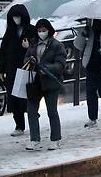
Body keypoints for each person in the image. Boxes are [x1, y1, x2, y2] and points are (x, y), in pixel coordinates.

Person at [24, 19, 66, 151]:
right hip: (35, 82)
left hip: (51, 82)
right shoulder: (34, 44)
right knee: (31, 111)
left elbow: (61, 65)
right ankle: (34, 139)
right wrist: (30, 62)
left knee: (52, 111)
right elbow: (26, 58)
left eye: (44, 30)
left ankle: (56, 138)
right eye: (39, 30)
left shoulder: (56, 45)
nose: (41, 33)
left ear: (49, 30)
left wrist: (47, 68)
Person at [0, 5, 35, 136]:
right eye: (13, 17)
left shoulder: (31, 30)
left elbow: (38, 48)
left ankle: (33, 121)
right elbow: (3, 51)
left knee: (29, 97)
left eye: (18, 16)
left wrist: (29, 46)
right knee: (14, 98)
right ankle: (19, 125)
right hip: (12, 69)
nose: (16, 19)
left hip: (28, 69)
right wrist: (0, 70)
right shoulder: (10, 32)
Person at [74, 18, 101, 129]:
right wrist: (83, 33)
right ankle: (92, 118)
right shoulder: (89, 30)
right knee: (90, 92)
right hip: (91, 64)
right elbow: (78, 45)